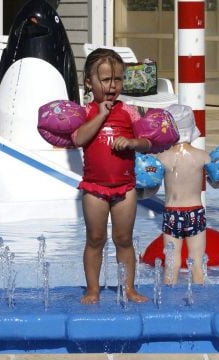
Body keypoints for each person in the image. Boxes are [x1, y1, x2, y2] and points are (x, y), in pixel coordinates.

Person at [72, 48, 149, 304]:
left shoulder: (130, 112)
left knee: (124, 239)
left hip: (125, 188)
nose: (112, 85)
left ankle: (128, 288)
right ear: (89, 83)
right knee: (95, 239)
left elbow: (148, 143)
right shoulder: (85, 113)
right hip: (95, 188)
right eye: (105, 80)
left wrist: (132, 142)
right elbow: (78, 139)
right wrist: (102, 114)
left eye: (117, 79)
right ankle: (92, 289)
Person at [156, 105, 219, 285]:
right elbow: (216, 183)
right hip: (195, 211)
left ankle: (168, 297)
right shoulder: (202, 156)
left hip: (171, 212)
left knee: (172, 261)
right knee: (197, 260)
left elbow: (151, 189)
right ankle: (200, 300)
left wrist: (141, 192)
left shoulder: (162, 157)